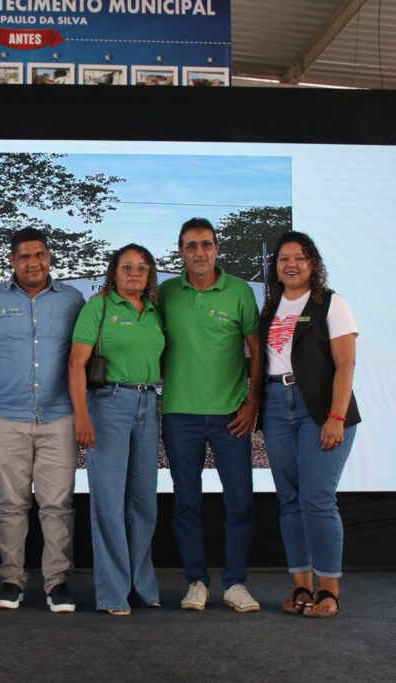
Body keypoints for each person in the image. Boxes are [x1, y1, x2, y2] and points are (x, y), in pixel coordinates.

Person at [0, 227, 85, 613]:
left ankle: (57, 583)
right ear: (11, 260)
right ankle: (11, 580)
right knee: (10, 504)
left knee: (58, 505)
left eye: (39, 255)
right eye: (24, 256)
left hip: (59, 417)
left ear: (49, 256)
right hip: (6, 418)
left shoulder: (73, 300)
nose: (33, 262)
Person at [158, 217, 262, 613]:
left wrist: (252, 403)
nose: (199, 252)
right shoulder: (166, 293)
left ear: (217, 248)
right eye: (191, 245)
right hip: (180, 413)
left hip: (230, 416)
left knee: (240, 503)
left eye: (206, 244)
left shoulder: (239, 291)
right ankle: (196, 582)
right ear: (181, 252)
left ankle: (235, 583)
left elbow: (256, 351)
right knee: (186, 503)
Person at [259, 231, 359, 618]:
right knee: (290, 500)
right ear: (276, 267)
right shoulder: (270, 308)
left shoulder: (331, 304)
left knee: (317, 500)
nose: (292, 264)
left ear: (312, 264)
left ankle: (329, 589)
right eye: (284, 258)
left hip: (319, 408)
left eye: (300, 257)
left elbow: (346, 365)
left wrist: (336, 417)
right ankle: (301, 585)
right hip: (276, 406)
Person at [68, 244, 164, 615]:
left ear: (150, 274)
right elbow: (77, 364)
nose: (134, 273)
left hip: (148, 403)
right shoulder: (99, 308)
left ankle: (142, 586)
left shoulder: (154, 312)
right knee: (109, 502)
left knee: (143, 502)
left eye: (142, 267)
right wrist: (82, 416)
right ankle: (113, 593)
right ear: (114, 271)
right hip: (109, 403)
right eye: (127, 266)